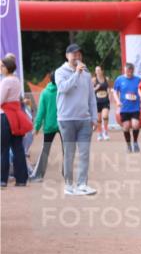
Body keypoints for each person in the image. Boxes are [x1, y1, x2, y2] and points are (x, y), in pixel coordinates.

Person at [55, 43, 98, 196]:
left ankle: (82, 184)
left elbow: (91, 97)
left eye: (79, 54)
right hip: (66, 119)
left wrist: (94, 117)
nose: (77, 57)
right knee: (69, 153)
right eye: (74, 54)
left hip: (84, 120)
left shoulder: (86, 74)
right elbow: (63, 88)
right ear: (67, 56)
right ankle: (68, 185)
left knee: (85, 153)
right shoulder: (60, 72)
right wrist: (76, 74)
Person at [1, 54, 30, 187]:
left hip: (6, 116)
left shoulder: (5, 81)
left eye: (2, 66)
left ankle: (2, 179)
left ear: (7, 68)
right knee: (18, 148)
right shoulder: (17, 80)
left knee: (3, 149)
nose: (0, 68)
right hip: (16, 115)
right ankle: (21, 179)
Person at [30, 73, 60, 182]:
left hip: (49, 125)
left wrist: (37, 127)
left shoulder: (45, 92)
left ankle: (39, 176)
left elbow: (41, 112)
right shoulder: (64, 91)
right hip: (64, 124)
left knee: (45, 150)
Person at [112, 62, 141, 153]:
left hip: (135, 107)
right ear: (124, 70)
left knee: (135, 125)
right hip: (124, 107)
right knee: (126, 126)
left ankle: (136, 142)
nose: (129, 73)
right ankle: (128, 144)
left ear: (133, 71)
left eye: (131, 71)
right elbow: (115, 92)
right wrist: (117, 101)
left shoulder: (138, 79)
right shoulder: (119, 79)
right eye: (127, 71)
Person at [92, 65, 111, 140]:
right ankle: (99, 133)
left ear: (102, 71)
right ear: (95, 72)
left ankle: (105, 132)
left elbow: (108, 88)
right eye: (96, 70)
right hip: (97, 102)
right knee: (99, 119)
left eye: (99, 70)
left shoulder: (106, 79)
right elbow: (90, 90)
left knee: (105, 116)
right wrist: (96, 88)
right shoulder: (93, 80)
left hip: (105, 101)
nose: (98, 72)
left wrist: (109, 94)